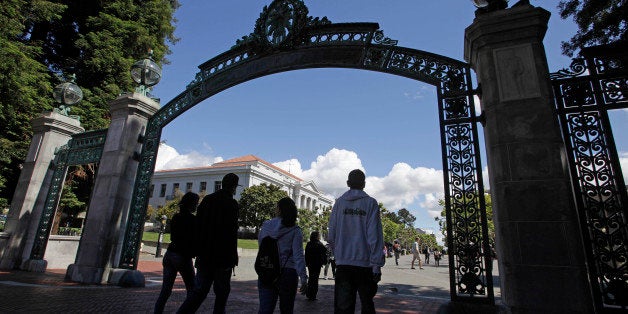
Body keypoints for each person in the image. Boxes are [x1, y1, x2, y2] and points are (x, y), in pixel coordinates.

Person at [178, 173, 240, 314]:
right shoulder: (231, 204)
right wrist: (232, 257)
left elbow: (198, 226)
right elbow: (231, 233)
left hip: (205, 255)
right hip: (223, 257)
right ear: (234, 187)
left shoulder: (207, 200)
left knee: (198, 292)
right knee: (221, 295)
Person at [328, 169, 385, 314]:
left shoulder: (339, 203)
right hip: (365, 264)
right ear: (364, 184)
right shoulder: (370, 203)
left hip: (343, 264)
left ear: (348, 183)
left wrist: (338, 254)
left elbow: (331, 234)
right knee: (367, 304)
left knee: (343, 308)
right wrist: (376, 265)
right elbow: (375, 236)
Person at [257, 197, 307, 314]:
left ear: (279, 209)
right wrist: (303, 279)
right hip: (288, 271)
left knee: (265, 309)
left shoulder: (266, 226)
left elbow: (262, 247)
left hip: (267, 269)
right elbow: (298, 256)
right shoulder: (295, 230)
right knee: (286, 309)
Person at [154, 192, 199, 314]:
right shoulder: (192, 220)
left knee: (165, 290)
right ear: (192, 204)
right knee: (193, 289)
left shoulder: (176, 217)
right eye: (196, 203)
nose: (197, 205)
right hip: (182, 256)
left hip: (170, 254)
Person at [304, 231, 327, 301]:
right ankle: (313, 295)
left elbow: (306, 254)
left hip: (311, 264)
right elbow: (324, 251)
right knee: (315, 279)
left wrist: (307, 263)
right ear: (317, 236)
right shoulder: (319, 244)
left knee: (311, 278)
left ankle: (309, 294)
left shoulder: (309, 244)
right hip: (317, 264)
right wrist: (324, 261)